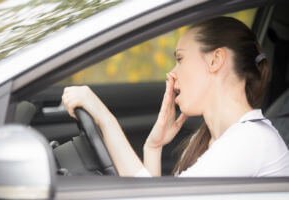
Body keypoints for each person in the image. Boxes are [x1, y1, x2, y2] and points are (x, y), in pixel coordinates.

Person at [62, 16, 289, 177]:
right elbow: (153, 195)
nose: (172, 73)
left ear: (215, 60)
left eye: (180, 59)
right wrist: (153, 147)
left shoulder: (250, 141)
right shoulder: (210, 140)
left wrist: (104, 117)